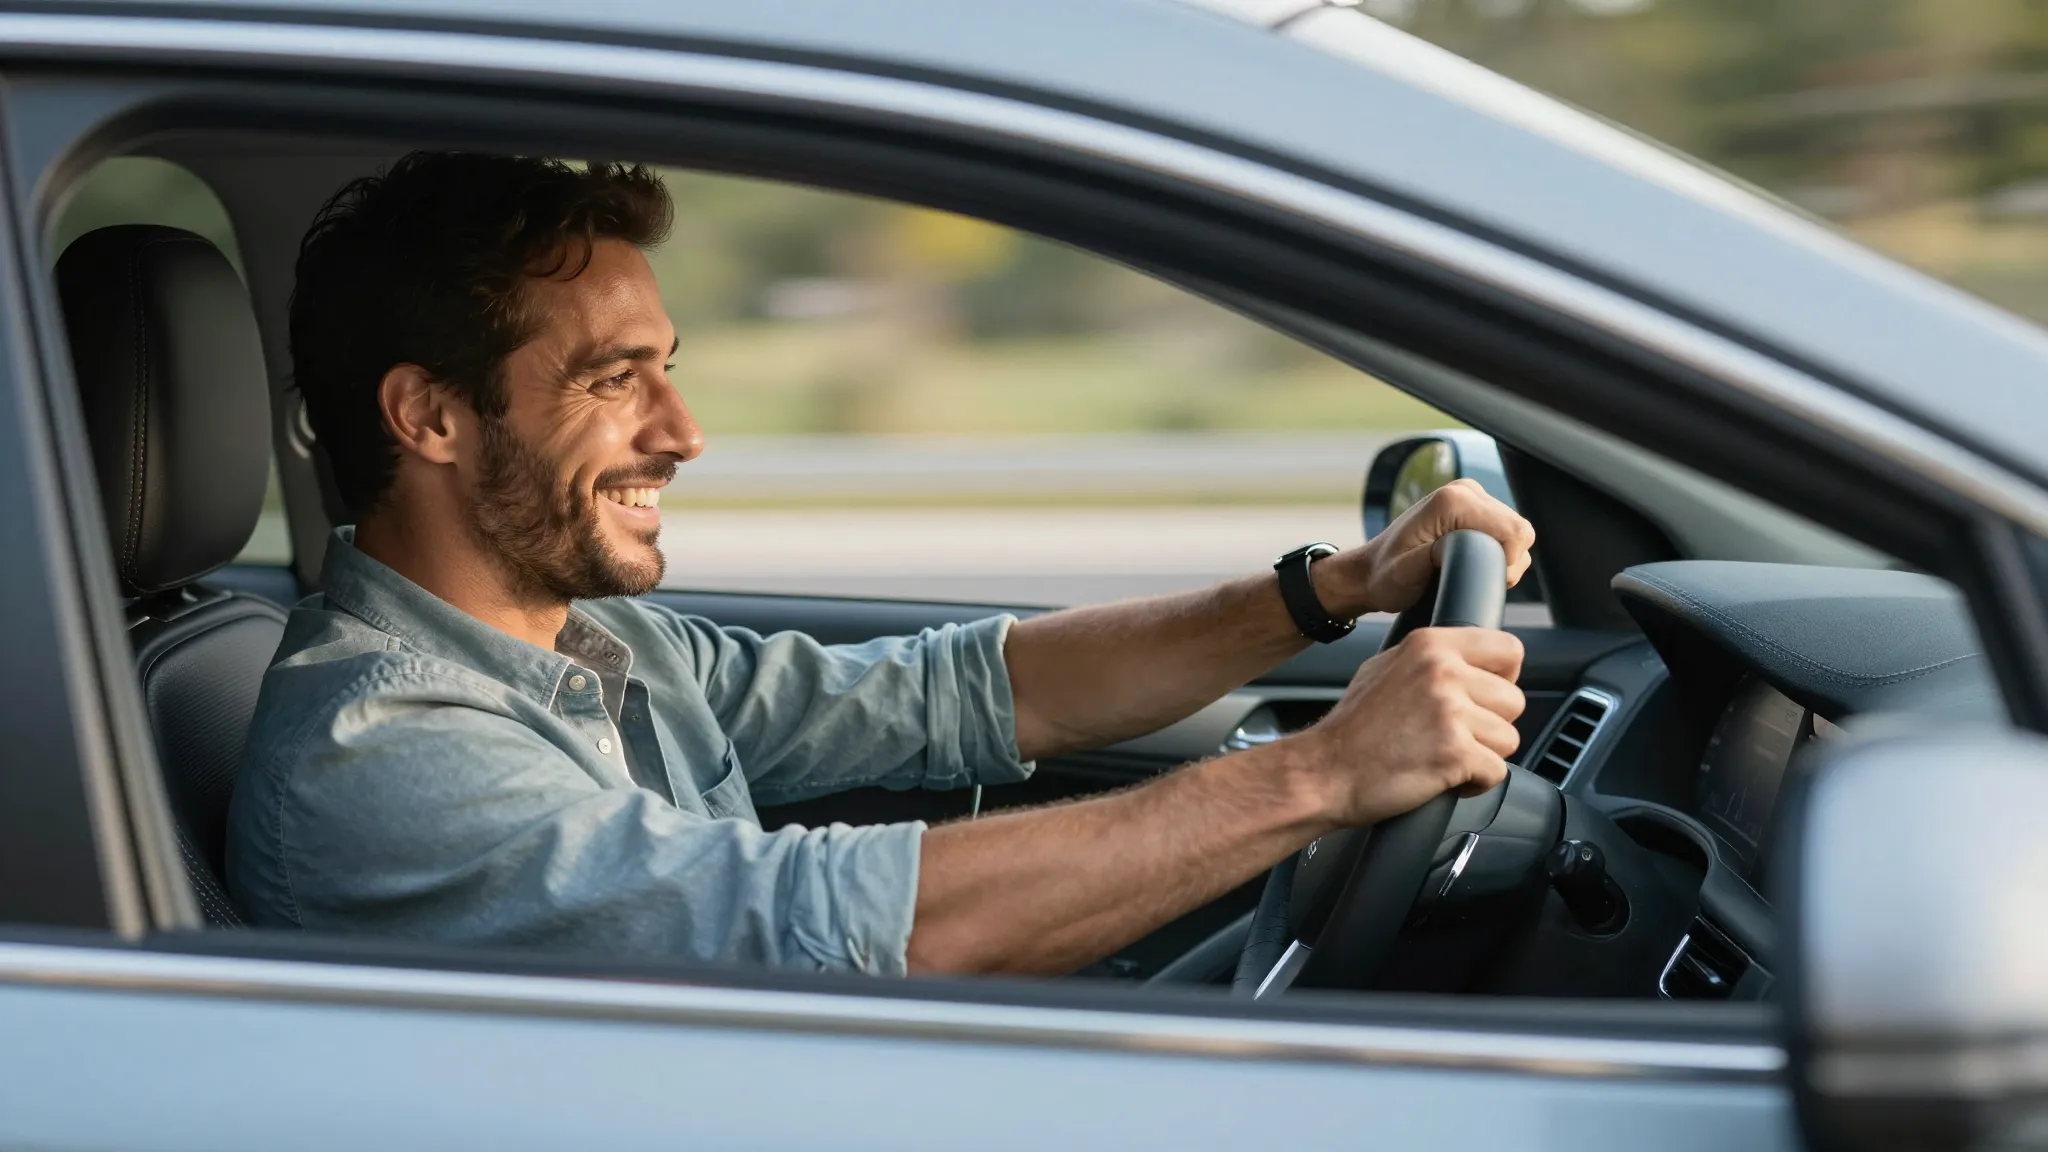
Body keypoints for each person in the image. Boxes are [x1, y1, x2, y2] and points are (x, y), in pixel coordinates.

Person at [226, 152, 1535, 977]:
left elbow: (968, 689)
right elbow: (859, 926)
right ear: (432, 418)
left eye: (666, 373)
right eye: (614, 382)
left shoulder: (589, 647)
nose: (681, 435)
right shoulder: (382, 750)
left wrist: (1328, 590)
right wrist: (1320, 773)